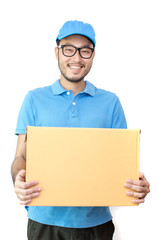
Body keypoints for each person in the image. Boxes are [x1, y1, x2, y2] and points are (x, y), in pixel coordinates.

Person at [11, 20, 150, 240]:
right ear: (56, 52)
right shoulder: (34, 99)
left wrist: (137, 184)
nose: (76, 58)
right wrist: (18, 178)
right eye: (69, 49)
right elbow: (20, 156)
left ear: (93, 56)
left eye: (85, 51)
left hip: (96, 225)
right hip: (44, 222)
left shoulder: (111, 102)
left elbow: (120, 163)